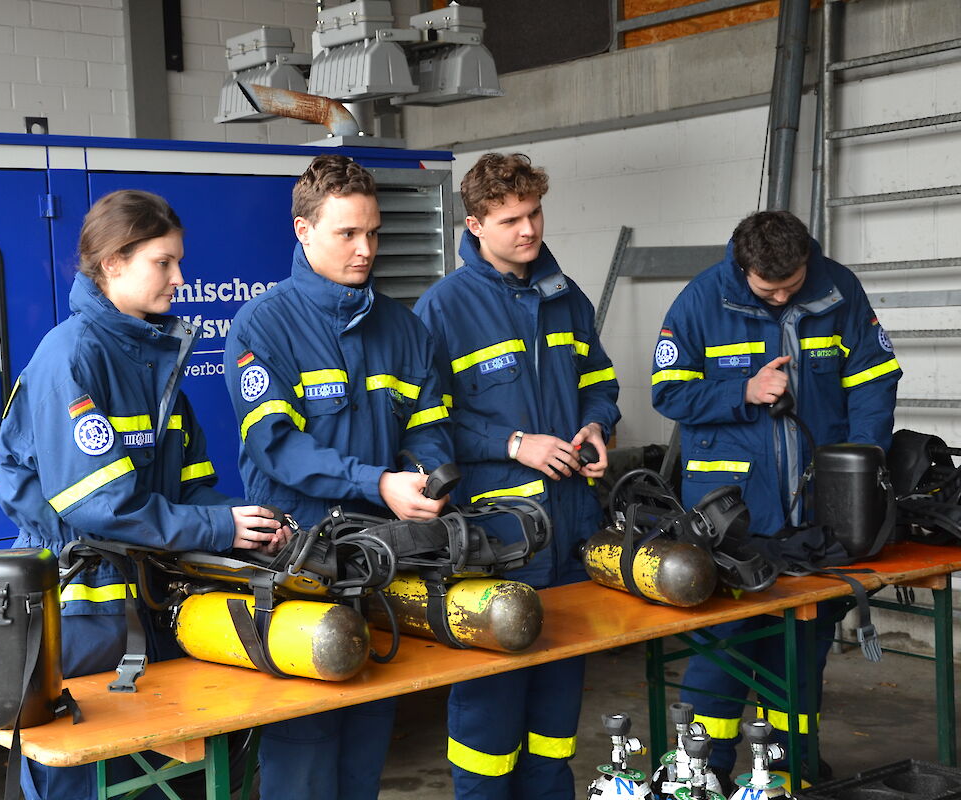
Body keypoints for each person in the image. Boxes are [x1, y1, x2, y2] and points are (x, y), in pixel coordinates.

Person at [0, 189, 288, 800]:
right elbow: (101, 507)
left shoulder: (154, 362)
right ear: (112, 264)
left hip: (155, 604)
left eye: (179, 262)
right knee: (86, 779)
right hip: (83, 614)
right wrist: (218, 530)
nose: (180, 279)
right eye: (164, 262)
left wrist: (251, 524)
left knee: (167, 779)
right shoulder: (71, 358)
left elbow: (195, 486)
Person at [223, 154, 454, 800]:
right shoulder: (261, 327)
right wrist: (378, 482)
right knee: (304, 755)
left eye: (373, 233)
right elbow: (278, 449)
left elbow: (429, 428)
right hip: (296, 566)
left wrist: (424, 481)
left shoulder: (406, 331)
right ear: (303, 231)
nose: (365, 250)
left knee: (364, 748)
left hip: (380, 567)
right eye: (347, 234)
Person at [651, 210, 901, 784]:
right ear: (743, 270)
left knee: (804, 638)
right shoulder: (700, 301)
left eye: (793, 283)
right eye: (771, 288)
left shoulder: (839, 289)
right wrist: (744, 390)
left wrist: (860, 468)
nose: (785, 294)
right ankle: (700, 772)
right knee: (724, 643)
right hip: (733, 511)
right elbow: (668, 391)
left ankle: (785, 765)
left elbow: (873, 379)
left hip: (819, 512)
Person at [414, 152, 621, 800]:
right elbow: (428, 425)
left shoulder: (566, 296)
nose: (529, 230)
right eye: (510, 220)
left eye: (533, 214)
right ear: (475, 224)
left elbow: (599, 382)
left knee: (557, 721)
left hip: (569, 537)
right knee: (488, 717)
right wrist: (514, 443)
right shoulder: (442, 310)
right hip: (495, 547)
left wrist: (597, 425)